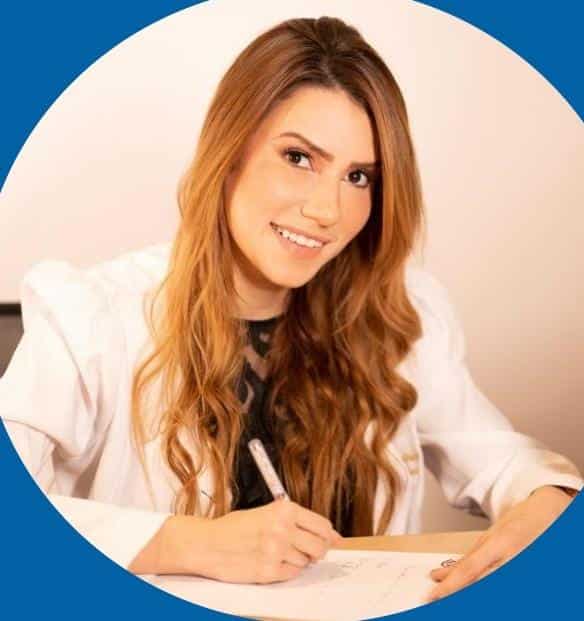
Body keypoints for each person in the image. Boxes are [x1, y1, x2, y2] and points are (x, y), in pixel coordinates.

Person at [1, 16, 581, 602]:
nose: (328, 210)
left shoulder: (401, 315)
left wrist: (545, 502)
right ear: (229, 150)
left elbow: (503, 463)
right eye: (299, 157)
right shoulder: (90, 315)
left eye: (358, 176)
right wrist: (186, 544)